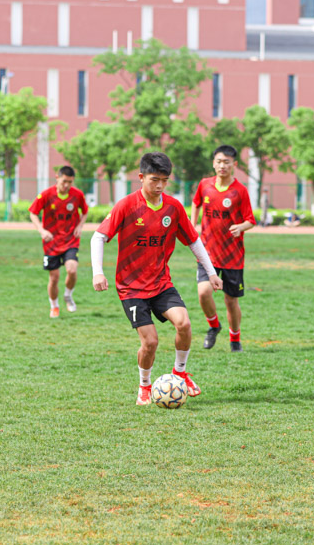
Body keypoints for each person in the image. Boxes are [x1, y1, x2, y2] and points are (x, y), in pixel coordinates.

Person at [91, 151, 222, 405]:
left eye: (164, 180)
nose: (160, 185)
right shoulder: (126, 205)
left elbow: (194, 241)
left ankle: (180, 373)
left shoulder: (173, 208)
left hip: (161, 283)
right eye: (154, 180)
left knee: (184, 324)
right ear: (141, 177)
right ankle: (144, 386)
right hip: (131, 288)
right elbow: (98, 237)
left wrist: (212, 273)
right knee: (150, 342)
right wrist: (98, 271)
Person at [191, 145, 256, 352]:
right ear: (213, 163)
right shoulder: (205, 185)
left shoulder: (240, 191)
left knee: (231, 301)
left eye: (226, 162)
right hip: (207, 252)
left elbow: (251, 220)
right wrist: (193, 225)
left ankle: (235, 340)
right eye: (219, 161)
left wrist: (241, 227)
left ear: (234, 164)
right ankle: (214, 326)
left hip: (232, 256)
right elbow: (196, 203)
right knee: (203, 293)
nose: (222, 166)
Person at [28, 165, 89, 318]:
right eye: (64, 181)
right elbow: (33, 213)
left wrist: (80, 226)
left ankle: (68, 295)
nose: (66, 185)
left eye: (70, 182)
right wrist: (42, 231)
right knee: (54, 278)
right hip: (51, 243)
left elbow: (85, 211)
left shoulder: (77, 195)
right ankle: (54, 306)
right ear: (57, 178)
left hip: (70, 240)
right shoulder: (46, 195)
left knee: (72, 270)